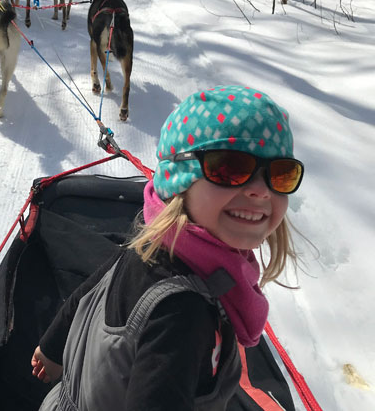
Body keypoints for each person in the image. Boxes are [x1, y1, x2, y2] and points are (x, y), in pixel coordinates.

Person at [30, 85, 304, 411]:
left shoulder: (150, 240)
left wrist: (50, 348)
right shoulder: (183, 313)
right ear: (180, 179)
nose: (260, 190)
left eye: (281, 174)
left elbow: (88, 293)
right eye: (230, 168)